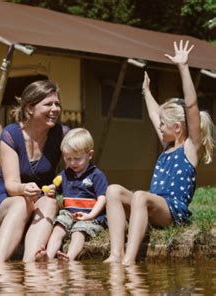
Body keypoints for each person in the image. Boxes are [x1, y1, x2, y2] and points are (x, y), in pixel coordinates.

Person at [104, 40, 214, 265]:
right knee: (113, 190)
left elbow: (191, 107)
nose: (159, 127)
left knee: (140, 196)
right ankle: (116, 254)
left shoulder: (190, 148)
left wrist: (183, 68)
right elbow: (156, 114)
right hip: (152, 207)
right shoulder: (167, 146)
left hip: (173, 211)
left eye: (164, 124)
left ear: (177, 128)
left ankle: (129, 261)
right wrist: (146, 92)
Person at [0, 80, 66, 263]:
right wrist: (24, 189)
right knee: (22, 203)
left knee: (51, 203)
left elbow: (78, 161)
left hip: (40, 201)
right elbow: (11, 185)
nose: (55, 109)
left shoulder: (62, 134)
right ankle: (0, 269)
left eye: (57, 104)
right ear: (30, 108)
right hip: (7, 200)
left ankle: (31, 265)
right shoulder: (10, 135)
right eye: (48, 104)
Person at [44, 128, 108, 261]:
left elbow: (102, 198)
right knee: (58, 228)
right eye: (68, 159)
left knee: (79, 232)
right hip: (69, 214)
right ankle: (48, 257)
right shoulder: (65, 174)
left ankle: (69, 257)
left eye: (77, 159)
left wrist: (90, 215)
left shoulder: (97, 175)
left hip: (90, 216)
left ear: (89, 155)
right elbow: (55, 189)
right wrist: (51, 190)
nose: (72, 163)